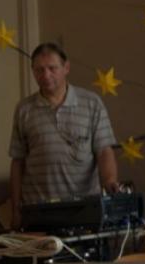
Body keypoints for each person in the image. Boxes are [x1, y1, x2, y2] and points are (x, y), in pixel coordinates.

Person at [9, 42, 119, 229]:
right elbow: (18, 161)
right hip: (37, 211)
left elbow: (104, 151)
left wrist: (110, 182)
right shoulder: (24, 109)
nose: (46, 75)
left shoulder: (92, 103)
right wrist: (16, 210)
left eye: (52, 68)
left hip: (84, 210)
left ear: (66, 68)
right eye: (39, 70)